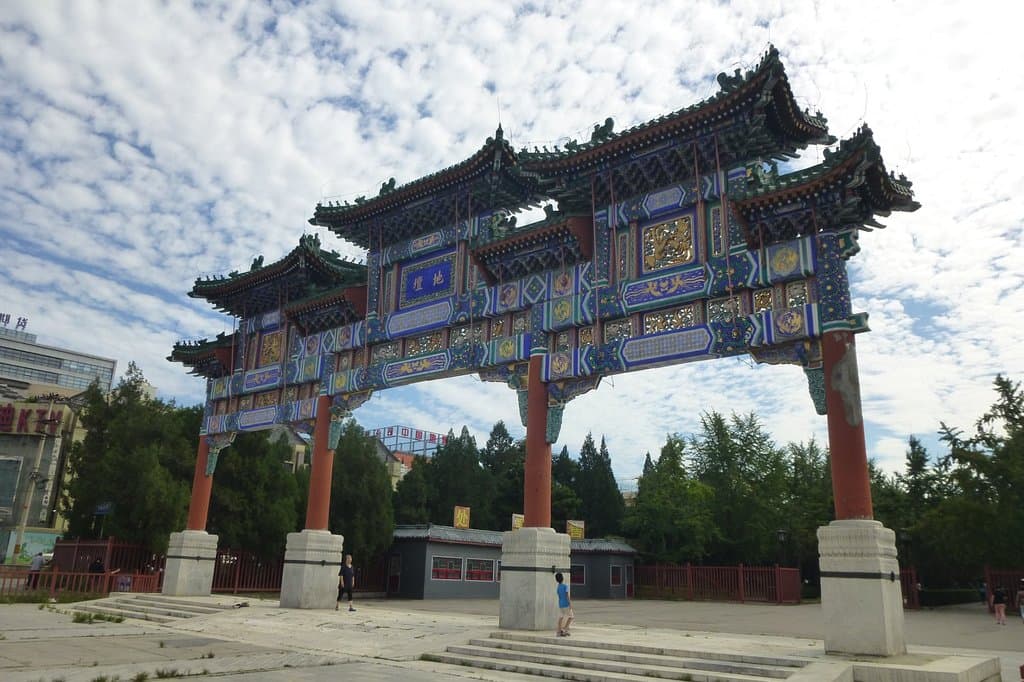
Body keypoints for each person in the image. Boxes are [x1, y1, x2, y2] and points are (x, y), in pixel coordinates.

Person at [555, 572, 573, 636]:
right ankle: (565, 630)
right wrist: (570, 603)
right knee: (571, 617)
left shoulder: (558, 587)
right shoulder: (565, 586)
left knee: (561, 617)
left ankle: (559, 631)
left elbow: (559, 596)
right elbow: (567, 596)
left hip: (560, 604)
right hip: (566, 604)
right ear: (562, 578)